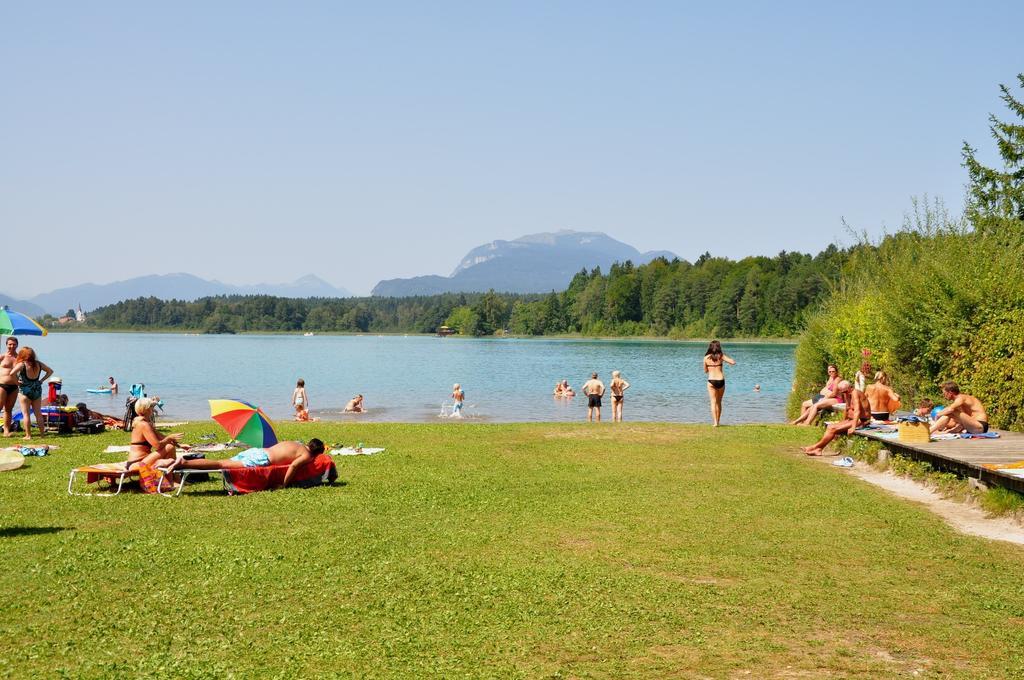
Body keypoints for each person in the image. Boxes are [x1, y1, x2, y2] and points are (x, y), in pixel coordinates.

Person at [167, 439, 326, 488]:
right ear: (316, 452)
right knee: (219, 464)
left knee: (221, 462)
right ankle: (183, 463)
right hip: (260, 459)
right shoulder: (307, 455)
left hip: (256, 452)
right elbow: (294, 466)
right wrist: (285, 484)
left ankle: (184, 462)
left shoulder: (296, 443)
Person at [802, 381, 868, 455]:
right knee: (830, 426)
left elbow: (857, 411)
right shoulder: (847, 394)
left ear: (850, 387)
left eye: (845, 391)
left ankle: (815, 448)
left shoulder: (855, 393)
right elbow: (847, 409)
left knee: (832, 428)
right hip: (851, 419)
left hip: (862, 420)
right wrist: (843, 422)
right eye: (842, 392)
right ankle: (818, 449)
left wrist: (853, 427)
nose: (844, 393)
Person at [125, 397, 183, 470]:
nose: (153, 409)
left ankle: (171, 477)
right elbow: (158, 445)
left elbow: (162, 437)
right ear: (146, 409)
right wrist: (169, 438)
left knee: (169, 446)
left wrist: (180, 445)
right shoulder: (143, 424)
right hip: (136, 463)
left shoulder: (144, 422)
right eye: (152, 407)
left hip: (142, 460)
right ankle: (173, 478)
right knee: (169, 447)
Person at [9, 347, 53, 440]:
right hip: (36, 390)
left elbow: (11, 373)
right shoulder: (39, 364)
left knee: (26, 414)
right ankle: (42, 435)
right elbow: (50, 371)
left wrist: (17, 383)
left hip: (25, 391)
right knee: (38, 413)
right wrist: (41, 380)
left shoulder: (22, 365)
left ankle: (28, 435)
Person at [703, 340, 736, 427]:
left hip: (711, 381)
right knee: (719, 402)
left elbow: (705, 371)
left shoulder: (706, 358)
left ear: (710, 347)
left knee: (713, 402)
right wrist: (724, 358)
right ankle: (718, 421)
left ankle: (715, 423)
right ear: (719, 347)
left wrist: (710, 367)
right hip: (721, 380)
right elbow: (733, 362)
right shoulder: (721, 356)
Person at [1, 337, 19, 437]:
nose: (12, 346)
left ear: (17, 345)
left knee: (8, 409)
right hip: (2, 385)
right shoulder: (2, 357)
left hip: (14, 387)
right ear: (6, 345)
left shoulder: (20, 358)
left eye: (14, 344)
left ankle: (6, 431)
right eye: (10, 344)